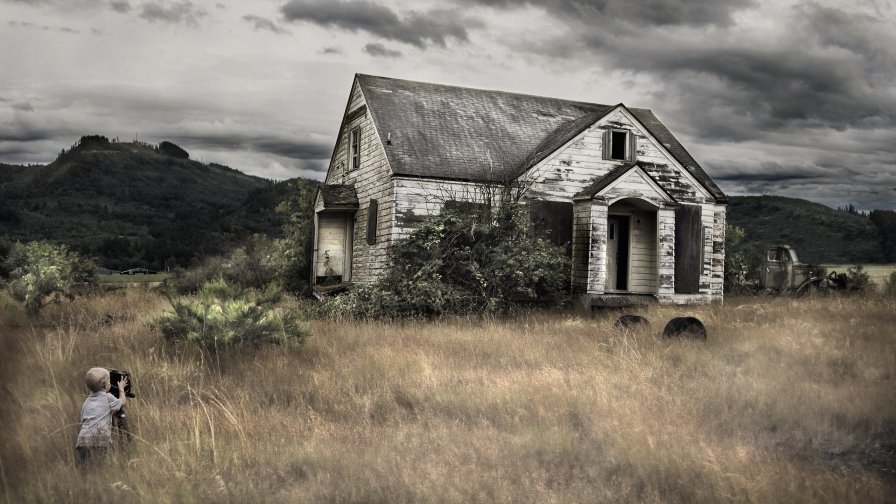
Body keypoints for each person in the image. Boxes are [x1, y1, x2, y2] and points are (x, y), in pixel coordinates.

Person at [75, 367, 128, 468]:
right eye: (109, 380)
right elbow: (122, 402)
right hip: (99, 441)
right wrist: (121, 388)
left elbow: (83, 419)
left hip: (82, 440)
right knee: (98, 466)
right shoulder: (108, 397)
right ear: (105, 384)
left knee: (85, 468)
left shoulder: (87, 401)